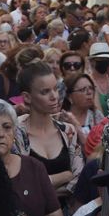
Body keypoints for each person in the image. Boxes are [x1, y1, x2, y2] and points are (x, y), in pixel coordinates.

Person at [15, 62, 84, 205]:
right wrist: (66, 175)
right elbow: (24, 184)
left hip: (68, 213)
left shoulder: (68, 130)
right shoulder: (16, 134)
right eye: (45, 92)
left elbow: (78, 178)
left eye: (55, 89)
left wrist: (43, 187)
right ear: (27, 97)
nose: (54, 96)